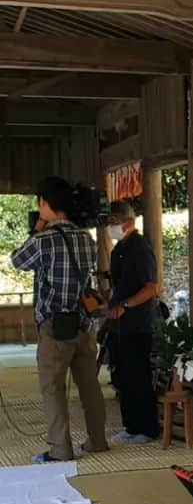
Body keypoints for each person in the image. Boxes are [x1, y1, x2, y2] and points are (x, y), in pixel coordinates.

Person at [10, 176, 108, 464]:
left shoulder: (43, 240)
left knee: (52, 388)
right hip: (84, 323)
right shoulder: (86, 237)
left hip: (55, 326)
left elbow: (17, 261)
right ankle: (97, 440)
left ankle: (60, 449)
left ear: (44, 203)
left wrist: (37, 228)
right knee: (89, 384)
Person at [104, 200, 161, 443]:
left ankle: (147, 427)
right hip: (120, 325)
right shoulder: (118, 249)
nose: (111, 226)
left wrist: (125, 305)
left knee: (138, 375)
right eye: (109, 221)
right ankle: (130, 425)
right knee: (122, 377)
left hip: (138, 324)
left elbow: (151, 288)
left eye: (115, 221)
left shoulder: (140, 248)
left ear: (129, 222)